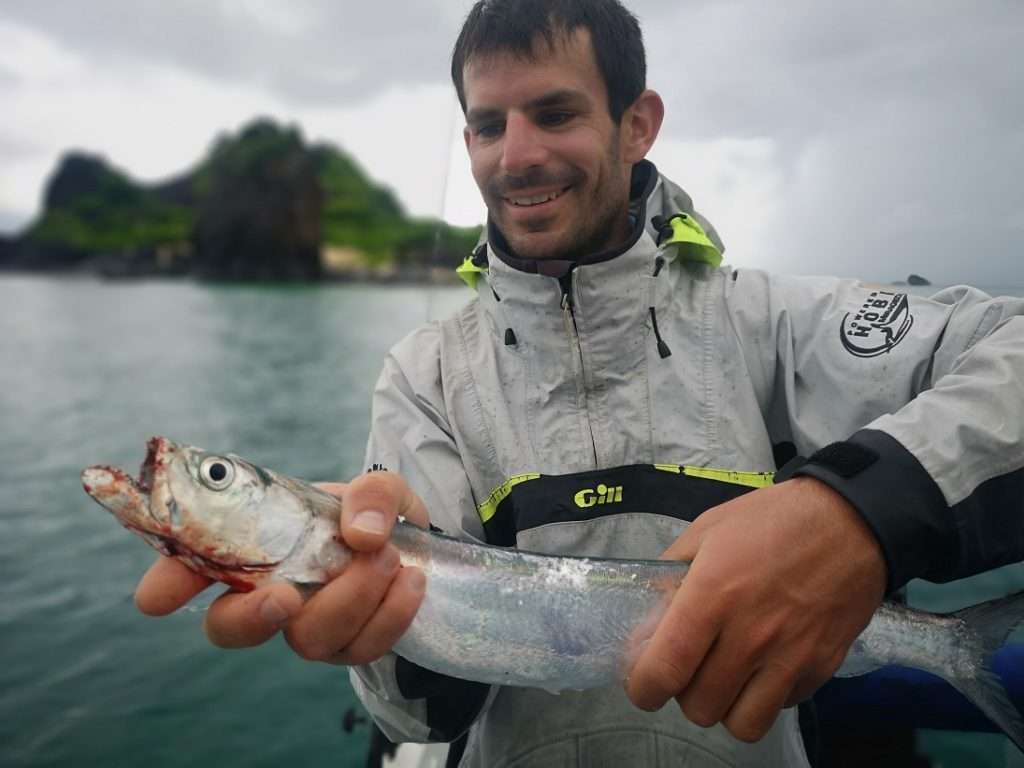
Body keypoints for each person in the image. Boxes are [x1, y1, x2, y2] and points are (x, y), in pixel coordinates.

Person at [134, 1, 1024, 766]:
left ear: (638, 124)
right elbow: (419, 720)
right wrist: (379, 640)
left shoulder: (778, 324)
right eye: (489, 125)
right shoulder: (424, 374)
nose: (516, 156)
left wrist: (859, 514)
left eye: (555, 113)